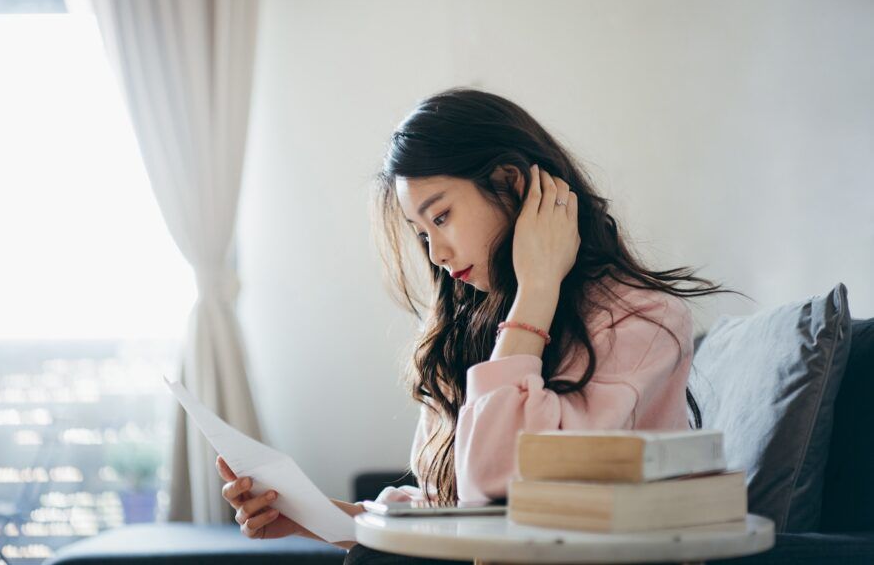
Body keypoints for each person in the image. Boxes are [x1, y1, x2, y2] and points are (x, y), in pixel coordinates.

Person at [215, 88, 742, 561]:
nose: (437, 253)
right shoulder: (469, 331)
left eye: (440, 217)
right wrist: (311, 516)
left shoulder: (642, 321)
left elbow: (496, 490)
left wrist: (537, 292)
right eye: (421, 234)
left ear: (510, 184)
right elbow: (448, 510)